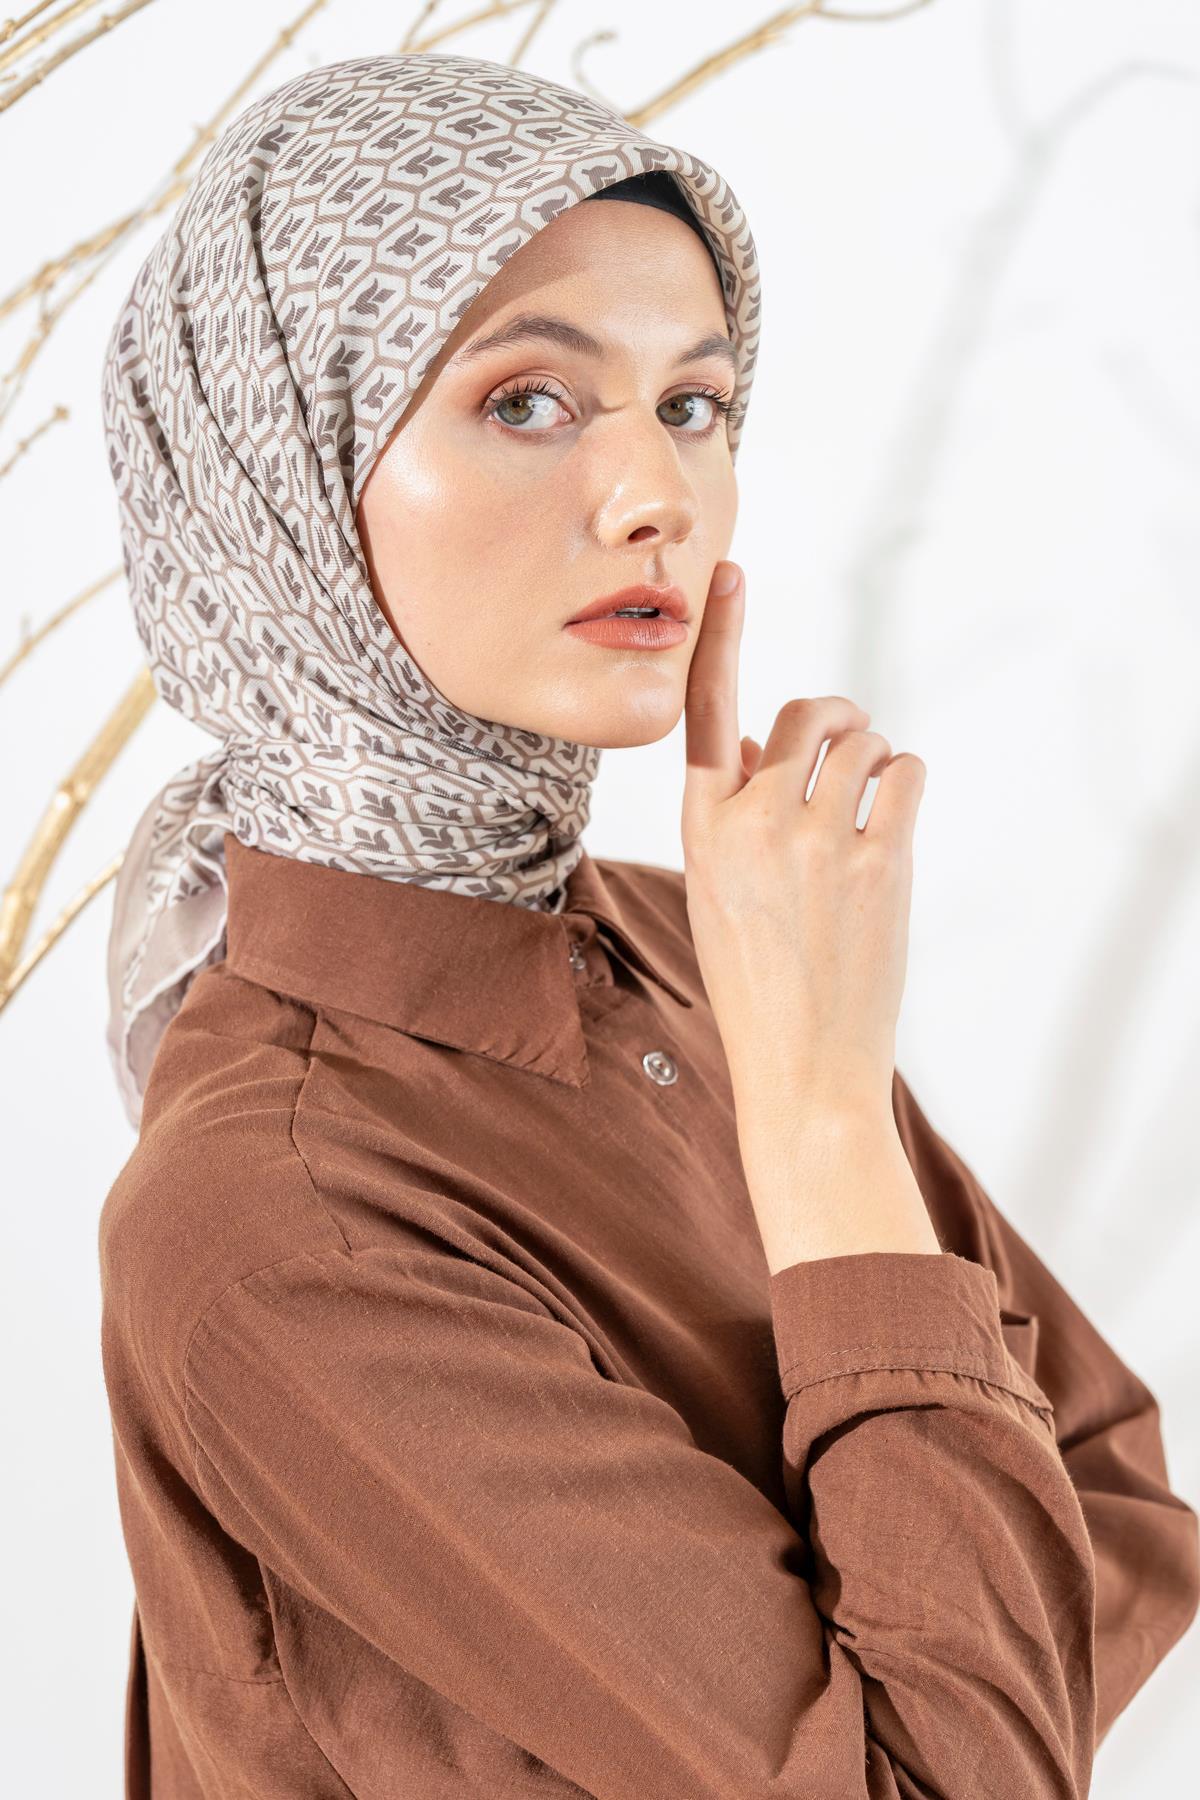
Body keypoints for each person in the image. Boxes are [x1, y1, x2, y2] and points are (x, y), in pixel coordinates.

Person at [96, 50, 1198, 1800]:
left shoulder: (705, 943)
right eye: (527, 400)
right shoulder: (282, 1220)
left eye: (693, 403)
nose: (657, 497)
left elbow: (1124, 1499)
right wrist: (823, 1119)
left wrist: (922, 1661)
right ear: (282, 476)